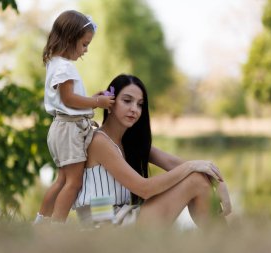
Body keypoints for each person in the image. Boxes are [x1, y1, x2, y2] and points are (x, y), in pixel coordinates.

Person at [73, 74, 232, 228]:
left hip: (121, 218)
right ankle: (224, 244)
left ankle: (221, 243)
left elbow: (174, 163)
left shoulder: (128, 143)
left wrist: (218, 182)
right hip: (104, 229)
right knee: (195, 180)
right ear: (110, 103)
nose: (134, 109)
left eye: (140, 104)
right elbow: (144, 189)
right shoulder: (99, 141)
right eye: (127, 101)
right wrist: (192, 166)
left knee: (198, 178)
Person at [34, 10, 115, 224]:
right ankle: (56, 226)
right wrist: (97, 103)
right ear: (70, 40)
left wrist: (89, 100)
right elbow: (69, 99)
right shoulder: (64, 67)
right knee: (73, 182)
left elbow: (69, 100)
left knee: (62, 180)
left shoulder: (56, 63)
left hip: (63, 128)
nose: (85, 50)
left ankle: (41, 223)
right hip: (68, 130)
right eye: (84, 44)